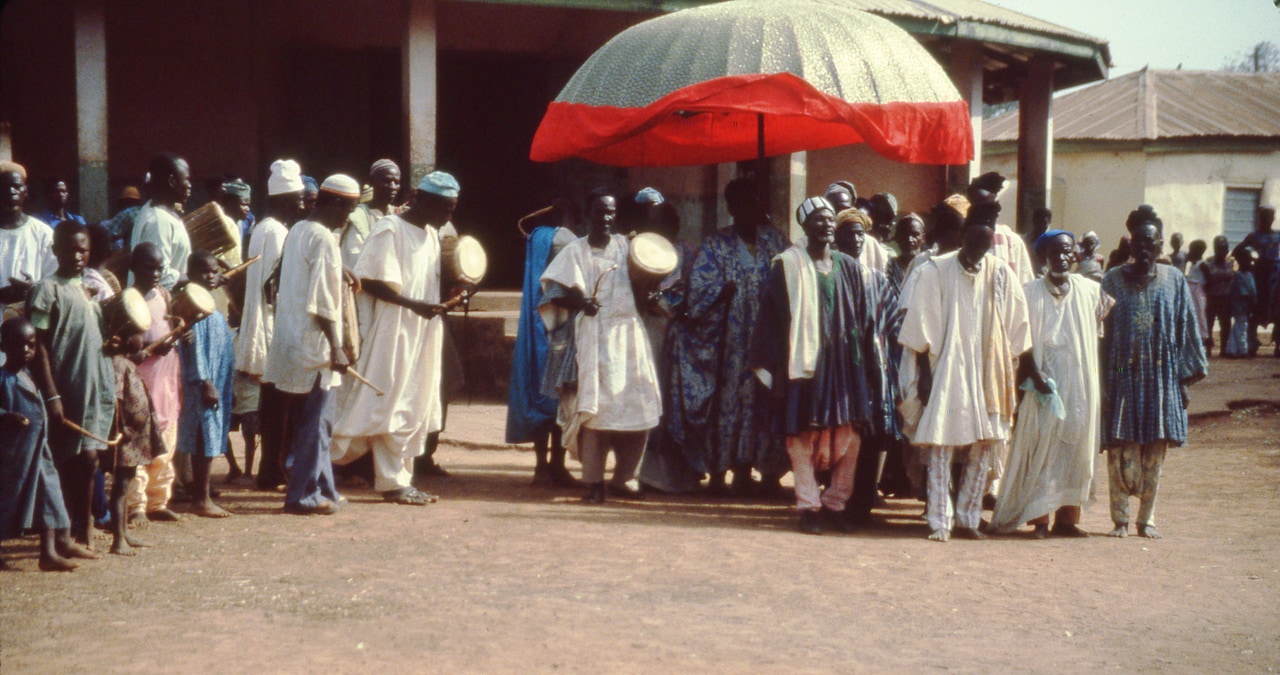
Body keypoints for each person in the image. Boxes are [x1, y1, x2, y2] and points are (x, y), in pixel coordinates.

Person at [898, 203, 1031, 542]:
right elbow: (920, 329)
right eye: (970, 245)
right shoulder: (935, 270)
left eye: (983, 247)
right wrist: (925, 376)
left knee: (981, 447)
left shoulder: (999, 272)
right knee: (941, 444)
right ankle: (939, 520)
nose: (976, 254)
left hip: (987, 370)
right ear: (961, 239)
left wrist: (1008, 367)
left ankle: (968, 518)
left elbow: (1017, 326)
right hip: (946, 368)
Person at [750, 198, 883, 533]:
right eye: (819, 219)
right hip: (802, 366)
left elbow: (864, 323)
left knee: (848, 435)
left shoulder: (850, 267)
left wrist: (867, 367)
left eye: (830, 220)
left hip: (843, 366)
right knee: (801, 436)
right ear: (805, 226)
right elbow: (771, 321)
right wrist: (777, 370)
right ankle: (809, 507)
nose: (826, 225)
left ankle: (836, 503)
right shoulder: (786, 265)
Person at [649, 179, 788, 496]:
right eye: (740, 203)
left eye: (752, 201)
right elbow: (698, 289)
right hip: (730, 346)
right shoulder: (717, 243)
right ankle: (726, 471)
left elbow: (794, 278)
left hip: (768, 343)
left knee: (767, 402)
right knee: (730, 406)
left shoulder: (776, 242)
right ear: (731, 207)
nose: (747, 209)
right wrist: (721, 292)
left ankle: (768, 473)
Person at [330, 172, 459, 506]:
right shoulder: (390, 228)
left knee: (412, 403)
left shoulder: (431, 234)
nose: (448, 216)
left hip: (423, 329)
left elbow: (425, 281)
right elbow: (369, 279)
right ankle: (314, 465)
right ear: (424, 200)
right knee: (381, 403)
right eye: (445, 208)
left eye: (452, 209)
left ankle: (395, 480)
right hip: (392, 328)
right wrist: (413, 305)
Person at [540, 188, 661, 504]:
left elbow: (644, 283)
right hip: (593, 338)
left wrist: (649, 291)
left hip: (628, 335)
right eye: (599, 212)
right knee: (595, 411)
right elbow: (552, 294)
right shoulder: (575, 251)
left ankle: (624, 478)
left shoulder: (626, 246)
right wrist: (580, 301)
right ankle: (594, 483)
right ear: (588, 214)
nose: (605, 218)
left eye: (610, 212)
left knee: (641, 405)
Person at [991, 230, 1112, 538]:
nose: (1062, 257)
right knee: (1042, 448)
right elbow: (1020, 339)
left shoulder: (1090, 290)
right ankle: (1040, 519)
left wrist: (1102, 384)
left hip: (1081, 380)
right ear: (1044, 256)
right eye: (1056, 252)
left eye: (1068, 251)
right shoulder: (1028, 292)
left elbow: (1100, 340)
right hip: (1042, 382)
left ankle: (1068, 519)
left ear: (1075, 255)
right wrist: (1033, 373)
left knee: (1076, 446)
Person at [1101, 208, 1207, 539]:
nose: (1145, 246)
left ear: (1160, 244)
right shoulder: (1112, 279)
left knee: (1155, 452)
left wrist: (1182, 381)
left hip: (1162, 377)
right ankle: (1119, 519)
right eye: (1139, 240)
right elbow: (1102, 336)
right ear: (1130, 243)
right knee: (1121, 449)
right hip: (1122, 374)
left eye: (1151, 240)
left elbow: (1187, 329)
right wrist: (1110, 380)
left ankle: (1146, 519)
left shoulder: (1175, 279)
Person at [262, 175, 355, 516]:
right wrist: (338, 346)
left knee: (316, 422)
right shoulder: (323, 239)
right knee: (316, 424)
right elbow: (324, 301)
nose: (348, 218)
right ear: (335, 204)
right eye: (349, 209)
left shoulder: (299, 229)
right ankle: (301, 495)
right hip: (315, 346)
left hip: (291, 339)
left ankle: (324, 487)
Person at [26, 221, 116, 551]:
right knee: (63, 462)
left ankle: (83, 528)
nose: (77, 256)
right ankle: (61, 534)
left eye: (83, 249)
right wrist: (51, 393)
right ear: (55, 250)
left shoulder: (87, 288)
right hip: (65, 389)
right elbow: (40, 347)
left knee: (90, 460)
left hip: (93, 387)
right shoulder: (46, 289)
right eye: (70, 249)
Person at [236, 159, 305, 489]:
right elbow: (272, 287)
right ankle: (272, 471)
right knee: (279, 406)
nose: (302, 202)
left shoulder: (265, 228)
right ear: (282, 199)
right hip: (272, 327)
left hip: (269, 324)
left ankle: (273, 468)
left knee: (276, 405)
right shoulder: (275, 232)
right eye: (297, 196)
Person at [825, 207, 895, 527]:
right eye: (849, 233)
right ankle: (833, 503)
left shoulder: (878, 279)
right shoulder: (827, 274)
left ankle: (862, 504)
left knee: (868, 435)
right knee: (835, 436)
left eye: (860, 234)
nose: (856, 239)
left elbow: (895, 322)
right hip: (836, 366)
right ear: (836, 238)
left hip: (872, 369)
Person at [508, 200, 581, 487]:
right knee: (559, 396)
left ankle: (541, 466)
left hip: (537, 324)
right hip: (560, 324)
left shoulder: (536, 237)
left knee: (540, 394)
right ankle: (556, 465)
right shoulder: (566, 238)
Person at [0, 316, 81, 571]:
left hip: (39, 449)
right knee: (7, 501)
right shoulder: (3, 378)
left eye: (30, 345)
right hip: (14, 456)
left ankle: (48, 553)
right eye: (17, 345)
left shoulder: (29, 375)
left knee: (51, 496)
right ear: (3, 346)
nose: (25, 351)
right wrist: (7, 416)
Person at [125, 243, 184, 524]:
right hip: (140, 382)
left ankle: (158, 501)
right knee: (138, 442)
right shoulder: (126, 300)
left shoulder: (164, 296)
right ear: (134, 268)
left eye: (160, 267)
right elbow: (120, 344)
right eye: (150, 267)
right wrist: (143, 349)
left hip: (166, 380)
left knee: (165, 441)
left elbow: (171, 329)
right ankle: (136, 504)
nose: (156, 273)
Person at [174, 252, 234, 518]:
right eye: (205, 272)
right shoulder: (191, 305)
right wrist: (206, 381)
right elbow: (193, 349)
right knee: (203, 437)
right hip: (202, 383)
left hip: (217, 380)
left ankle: (202, 490)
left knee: (210, 436)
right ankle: (201, 497)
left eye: (214, 271)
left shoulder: (209, 303)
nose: (211, 276)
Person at [103, 326, 163, 554]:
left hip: (135, 437)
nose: (143, 339)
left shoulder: (127, 362)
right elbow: (115, 397)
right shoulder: (118, 364)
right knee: (119, 488)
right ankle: (118, 540)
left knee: (126, 484)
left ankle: (124, 534)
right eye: (138, 335)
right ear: (126, 339)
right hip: (126, 436)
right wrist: (121, 427)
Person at [128, 153, 192, 291]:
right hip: (155, 307)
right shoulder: (158, 222)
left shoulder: (160, 213)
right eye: (187, 179)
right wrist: (197, 277)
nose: (190, 185)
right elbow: (160, 276)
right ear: (172, 181)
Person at [0, 162, 56, 313]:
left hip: (30, 326)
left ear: (25, 191)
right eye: (3, 187)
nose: (10, 191)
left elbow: (56, 282)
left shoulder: (42, 233)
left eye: (16, 186)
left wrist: (33, 290)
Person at [966, 172, 1035, 284]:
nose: (980, 210)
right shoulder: (960, 237)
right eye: (974, 205)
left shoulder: (1012, 241)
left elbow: (1025, 282)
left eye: (986, 206)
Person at [341, 159, 402, 271]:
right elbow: (355, 259)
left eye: (396, 182)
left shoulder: (398, 215)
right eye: (386, 181)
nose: (393, 186)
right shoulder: (358, 216)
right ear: (372, 182)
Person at [1236, 206, 1278, 357]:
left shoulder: (1278, 235)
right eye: (1263, 217)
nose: (1266, 220)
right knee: (1255, 308)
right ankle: (1252, 342)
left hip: (1275, 275)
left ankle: (1278, 344)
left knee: (1277, 308)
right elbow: (1238, 250)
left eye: (1269, 217)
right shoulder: (1253, 236)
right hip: (1259, 275)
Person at [1200, 235, 1235, 357]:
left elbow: (1231, 275)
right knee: (1208, 324)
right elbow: (1214, 276)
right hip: (1211, 297)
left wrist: (1217, 276)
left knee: (1225, 324)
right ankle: (1208, 349)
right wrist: (1223, 276)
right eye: (1219, 248)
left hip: (1225, 297)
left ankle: (1224, 349)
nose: (1222, 251)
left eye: (1224, 248)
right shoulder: (1208, 261)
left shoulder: (1230, 262)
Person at [1224, 247, 1258, 358]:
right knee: (1242, 327)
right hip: (1242, 306)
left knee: (1237, 327)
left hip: (1245, 306)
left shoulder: (1249, 274)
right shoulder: (1239, 276)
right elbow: (1245, 294)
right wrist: (1252, 304)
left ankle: (1231, 350)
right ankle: (1243, 351)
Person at [1183, 239, 1211, 350]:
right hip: (1191, 291)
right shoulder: (1192, 264)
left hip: (1198, 291)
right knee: (1192, 312)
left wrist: (1205, 289)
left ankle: (1203, 336)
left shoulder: (1202, 264)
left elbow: (1209, 278)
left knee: (1200, 313)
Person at [103, 185, 144, 251]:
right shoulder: (145, 212)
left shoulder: (127, 213)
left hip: (132, 255)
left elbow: (107, 233)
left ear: (123, 202)